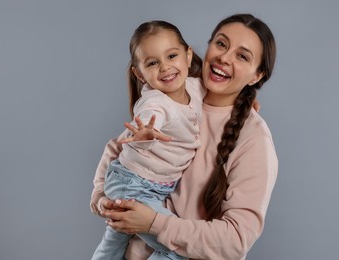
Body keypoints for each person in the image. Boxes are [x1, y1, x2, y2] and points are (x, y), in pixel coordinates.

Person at [91, 13, 278, 260]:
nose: (224, 57)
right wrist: (101, 197)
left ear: (257, 76)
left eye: (242, 56)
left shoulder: (254, 139)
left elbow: (235, 240)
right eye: (221, 44)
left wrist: (154, 223)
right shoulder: (177, 93)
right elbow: (121, 147)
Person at [91, 20, 205, 260]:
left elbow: (223, 96)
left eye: (171, 56)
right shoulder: (155, 102)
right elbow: (151, 114)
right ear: (139, 73)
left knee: (113, 242)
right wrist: (144, 131)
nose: (165, 67)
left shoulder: (195, 87)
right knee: (177, 248)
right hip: (135, 187)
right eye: (152, 63)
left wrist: (247, 106)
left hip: (145, 186)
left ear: (188, 56)